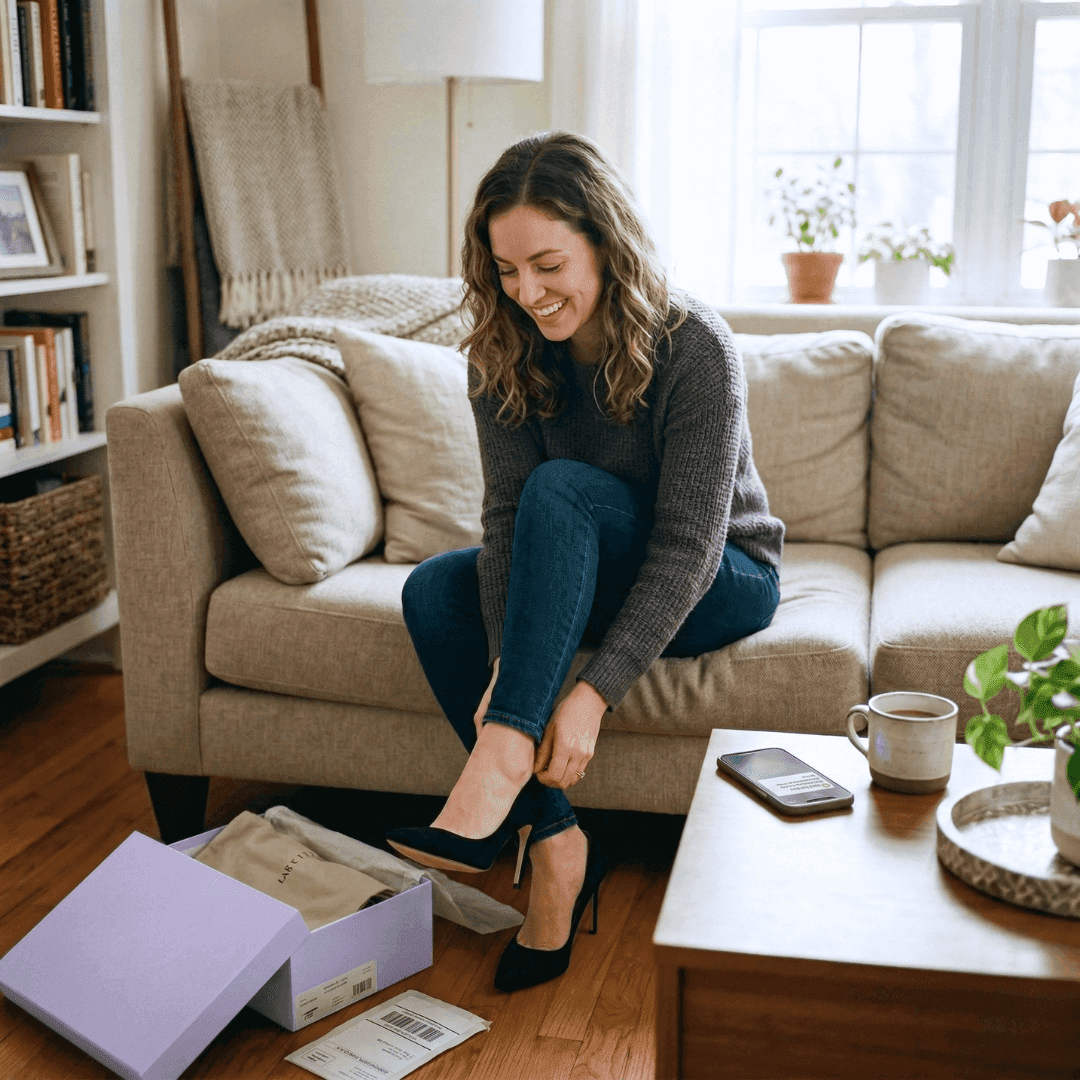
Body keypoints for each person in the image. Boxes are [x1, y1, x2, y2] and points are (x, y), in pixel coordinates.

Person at [386, 131, 784, 992]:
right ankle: (558, 842)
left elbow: (687, 548)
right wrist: (508, 664)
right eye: (505, 269)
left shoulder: (695, 346)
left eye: (548, 264)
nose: (526, 292)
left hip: (721, 577)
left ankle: (495, 769)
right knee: (433, 589)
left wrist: (593, 691)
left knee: (563, 486)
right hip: (584, 562)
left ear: (605, 242)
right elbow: (504, 520)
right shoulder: (500, 350)